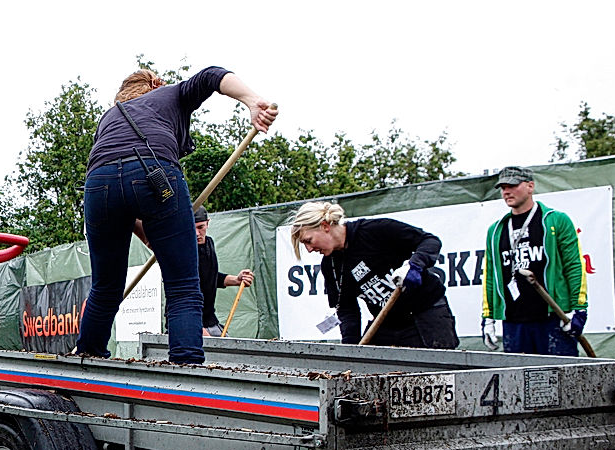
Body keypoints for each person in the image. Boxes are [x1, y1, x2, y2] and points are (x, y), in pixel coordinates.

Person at [74, 66, 276, 364]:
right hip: (155, 171)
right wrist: (251, 100)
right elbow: (212, 76)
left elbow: (124, 190)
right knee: (182, 284)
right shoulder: (171, 94)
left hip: (98, 185)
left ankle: (86, 360)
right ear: (157, 84)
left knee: (105, 287)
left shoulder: (110, 117)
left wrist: (151, 239)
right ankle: (186, 365)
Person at [289, 201, 458, 348]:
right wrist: (350, 350)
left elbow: (429, 241)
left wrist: (415, 265)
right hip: (387, 323)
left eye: (308, 241)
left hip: (427, 316)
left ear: (325, 226)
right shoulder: (331, 266)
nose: (309, 249)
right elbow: (347, 309)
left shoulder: (375, 231)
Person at [481, 165, 587, 355]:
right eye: (503, 187)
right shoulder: (496, 230)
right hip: (514, 321)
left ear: (530, 186)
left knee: (560, 379)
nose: (506, 192)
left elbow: (574, 265)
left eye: (512, 186)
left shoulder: (556, 220)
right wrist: (488, 318)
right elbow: (490, 274)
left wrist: (578, 309)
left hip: (552, 318)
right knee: (518, 382)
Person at [192, 207, 253, 336]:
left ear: (208, 223)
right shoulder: (183, 251)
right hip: (190, 325)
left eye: (200, 227)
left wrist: (237, 280)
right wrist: (195, 328)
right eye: (193, 228)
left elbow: (212, 277)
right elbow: (179, 293)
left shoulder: (209, 243)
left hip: (210, 322)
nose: (197, 233)